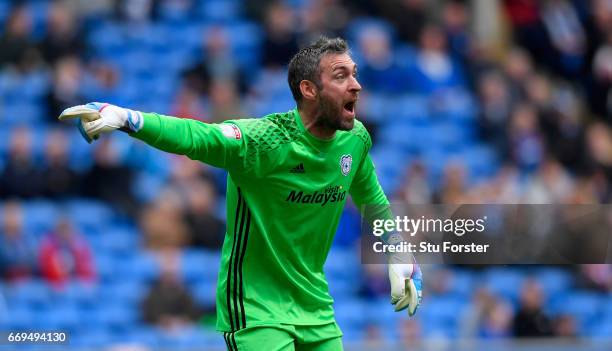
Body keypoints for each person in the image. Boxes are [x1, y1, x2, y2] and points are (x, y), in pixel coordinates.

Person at [58, 36, 422, 351]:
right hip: (255, 307)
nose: (356, 85)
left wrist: (398, 250)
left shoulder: (355, 139)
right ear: (308, 89)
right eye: (341, 76)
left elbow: (373, 201)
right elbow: (198, 137)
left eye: (354, 73)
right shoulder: (263, 141)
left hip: (315, 305)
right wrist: (128, 119)